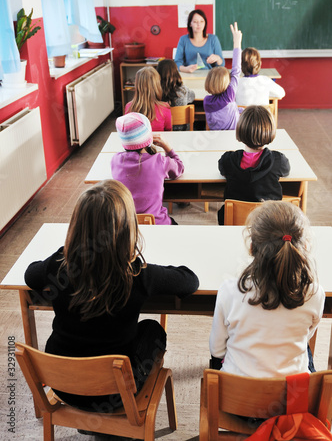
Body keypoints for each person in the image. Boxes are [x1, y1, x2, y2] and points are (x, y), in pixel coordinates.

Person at [25, 180, 199, 413]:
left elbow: (30, 274)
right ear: (128, 227)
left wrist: (62, 254)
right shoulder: (138, 274)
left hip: (62, 386)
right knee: (152, 329)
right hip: (116, 393)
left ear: (77, 226)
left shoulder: (58, 265)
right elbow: (189, 281)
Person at [209, 200, 325, 377]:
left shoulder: (230, 290)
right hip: (293, 396)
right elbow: (306, 336)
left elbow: (217, 350)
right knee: (305, 352)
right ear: (304, 247)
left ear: (252, 247)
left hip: (237, 398)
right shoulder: (315, 293)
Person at [217, 105, 290, 224]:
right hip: (268, 225)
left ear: (240, 130)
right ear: (270, 131)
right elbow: (286, 171)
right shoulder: (278, 161)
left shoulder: (228, 160)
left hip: (235, 222)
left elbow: (222, 170)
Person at [111, 112, 184, 225]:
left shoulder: (115, 160)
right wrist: (167, 147)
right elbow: (179, 167)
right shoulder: (160, 161)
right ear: (149, 137)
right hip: (157, 224)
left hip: (127, 227)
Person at [203, 22, 243, 130]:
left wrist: (239, 110)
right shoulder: (229, 96)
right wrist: (237, 42)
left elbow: (226, 111)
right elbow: (236, 69)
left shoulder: (206, 101)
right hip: (233, 139)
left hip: (216, 140)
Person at [174, 9, 224, 73]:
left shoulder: (213, 39)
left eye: (201, 21)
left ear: (205, 23)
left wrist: (217, 58)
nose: (199, 24)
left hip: (209, 77)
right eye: (195, 22)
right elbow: (177, 62)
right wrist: (185, 69)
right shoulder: (183, 40)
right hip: (188, 76)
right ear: (190, 24)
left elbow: (222, 65)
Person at [125, 66, 171, 131]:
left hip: (138, 141)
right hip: (157, 141)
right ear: (157, 85)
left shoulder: (128, 107)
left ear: (137, 85)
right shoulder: (165, 107)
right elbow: (168, 131)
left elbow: (128, 132)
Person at [157, 58, 195, 130]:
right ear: (176, 73)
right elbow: (192, 96)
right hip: (182, 131)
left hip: (163, 131)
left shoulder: (155, 92)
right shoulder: (183, 90)